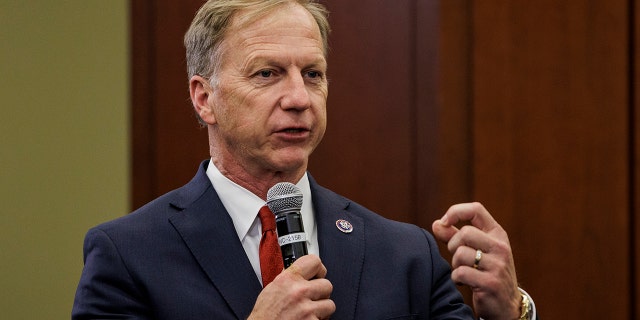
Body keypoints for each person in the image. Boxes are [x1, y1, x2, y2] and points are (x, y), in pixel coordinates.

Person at [72, 0, 537, 319]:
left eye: (312, 74)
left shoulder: (405, 255)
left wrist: (511, 312)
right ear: (204, 98)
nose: (298, 97)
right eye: (268, 73)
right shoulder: (128, 255)